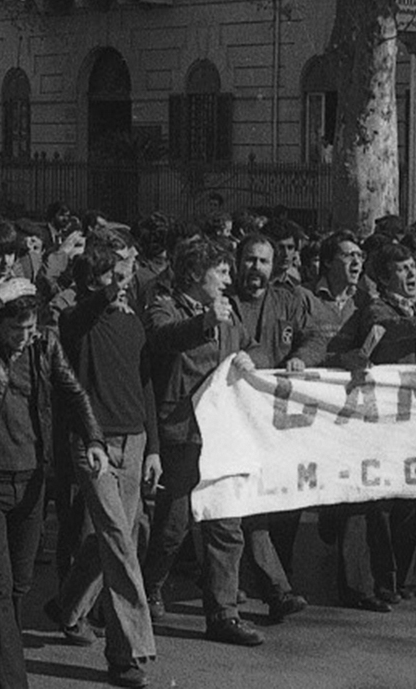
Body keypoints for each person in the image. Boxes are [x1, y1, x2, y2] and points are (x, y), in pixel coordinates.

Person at [0, 280, 108, 689]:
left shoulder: (44, 345)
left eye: (31, 327)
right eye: (17, 329)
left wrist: (94, 439)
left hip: (31, 481)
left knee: (16, 589)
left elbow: (73, 392)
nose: (25, 337)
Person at [142, 238, 264, 646]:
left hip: (221, 433)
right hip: (182, 433)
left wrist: (252, 359)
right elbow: (162, 338)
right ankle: (147, 588)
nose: (229, 278)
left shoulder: (229, 312)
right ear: (195, 275)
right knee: (173, 526)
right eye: (221, 271)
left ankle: (223, 615)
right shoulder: (166, 305)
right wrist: (203, 323)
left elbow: (250, 346)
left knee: (226, 525)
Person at [50, 243, 160, 688]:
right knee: (118, 540)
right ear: (94, 281)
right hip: (92, 443)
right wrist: (106, 289)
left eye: (126, 276)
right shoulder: (78, 320)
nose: (122, 284)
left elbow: (145, 382)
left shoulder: (133, 321)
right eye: (113, 277)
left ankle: (67, 607)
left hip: (134, 442)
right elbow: (81, 317)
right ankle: (125, 652)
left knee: (113, 539)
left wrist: (152, 446)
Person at [293, 231, 386, 612]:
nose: (355, 262)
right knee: (292, 503)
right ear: (328, 261)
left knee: (354, 494)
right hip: (308, 416)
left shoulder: (368, 302)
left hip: (350, 417)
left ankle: (357, 587)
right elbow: (300, 347)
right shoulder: (307, 300)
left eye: (359, 256)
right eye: (347, 255)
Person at [356, 242, 416, 603]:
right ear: (383, 277)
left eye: (413, 267)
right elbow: (383, 328)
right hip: (383, 420)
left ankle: (400, 575)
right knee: (381, 503)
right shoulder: (376, 309)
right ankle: (382, 577)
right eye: (402, 269)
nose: (411, 275)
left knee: (414, 499)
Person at [233, 233, 309, 620]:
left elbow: (310, 339)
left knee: (279, 505)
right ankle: (277, 590)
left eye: (263, 262)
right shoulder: (226, 303)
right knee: (250, 508)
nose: (255, 269)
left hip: (276, 425)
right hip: (233, 422)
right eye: (249, 260)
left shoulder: (288, 300)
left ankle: (269, 579)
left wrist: (299, 356)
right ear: (237, 262)